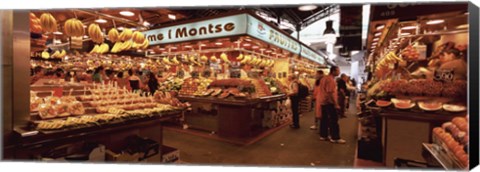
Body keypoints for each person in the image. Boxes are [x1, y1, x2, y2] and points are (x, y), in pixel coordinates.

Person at [318, 66, 346, 144]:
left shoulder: (324, 78)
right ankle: (335, 137)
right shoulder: (330, 80)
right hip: (329, 102)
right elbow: (330, 93)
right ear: (333, 71)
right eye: (338, 71)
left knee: (324, 119)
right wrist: (336, 104)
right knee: (334, 120)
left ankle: (323, 135)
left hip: (323, 101)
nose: (339, 72)